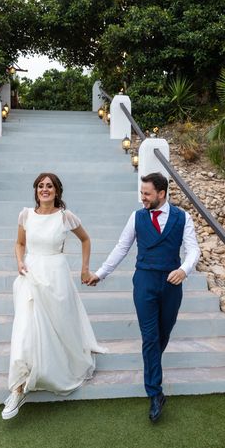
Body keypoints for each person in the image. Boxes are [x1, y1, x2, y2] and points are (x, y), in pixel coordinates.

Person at [86, 172, 200, 423]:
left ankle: (152, 371)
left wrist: (184, 269)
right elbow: (122, 247)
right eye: (141, 193)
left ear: (162, 193)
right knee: (150, 337)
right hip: (145, 282)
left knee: (163, 334)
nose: (143, 198)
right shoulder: (136, 217)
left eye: (147, 194)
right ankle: (155, 392)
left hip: (172, 283)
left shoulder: (183, 217)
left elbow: (193, 250)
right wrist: (101, 273)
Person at [1, 172, 106, 420]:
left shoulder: (65, 217)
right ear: (36, 190)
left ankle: (51, 370)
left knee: (58, 328)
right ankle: (18, 387)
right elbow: (19, 244)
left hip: (57, 276)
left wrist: (84, 269)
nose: (44, 189)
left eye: (49, 186)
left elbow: (86, 239)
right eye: (40, 186)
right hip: (31, 275)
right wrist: (18, 262)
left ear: (57, 191)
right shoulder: (25, 215)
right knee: (26, 329)